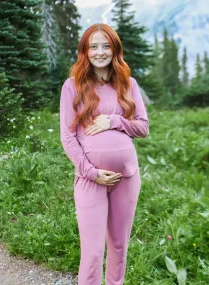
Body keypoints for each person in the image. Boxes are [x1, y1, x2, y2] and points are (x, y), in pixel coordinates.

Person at [60, 23, 149, 285]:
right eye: (93, 46)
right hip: (90, 179)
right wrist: (92, 173)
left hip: (127, 177)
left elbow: (143, 127)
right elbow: (68, 135)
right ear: (85, 52)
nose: (100, 52)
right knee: (93, 251)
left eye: (106, 46)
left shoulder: (128, 84)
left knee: (119, 246)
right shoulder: (72, 86)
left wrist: (114, 121)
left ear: (115, 49)